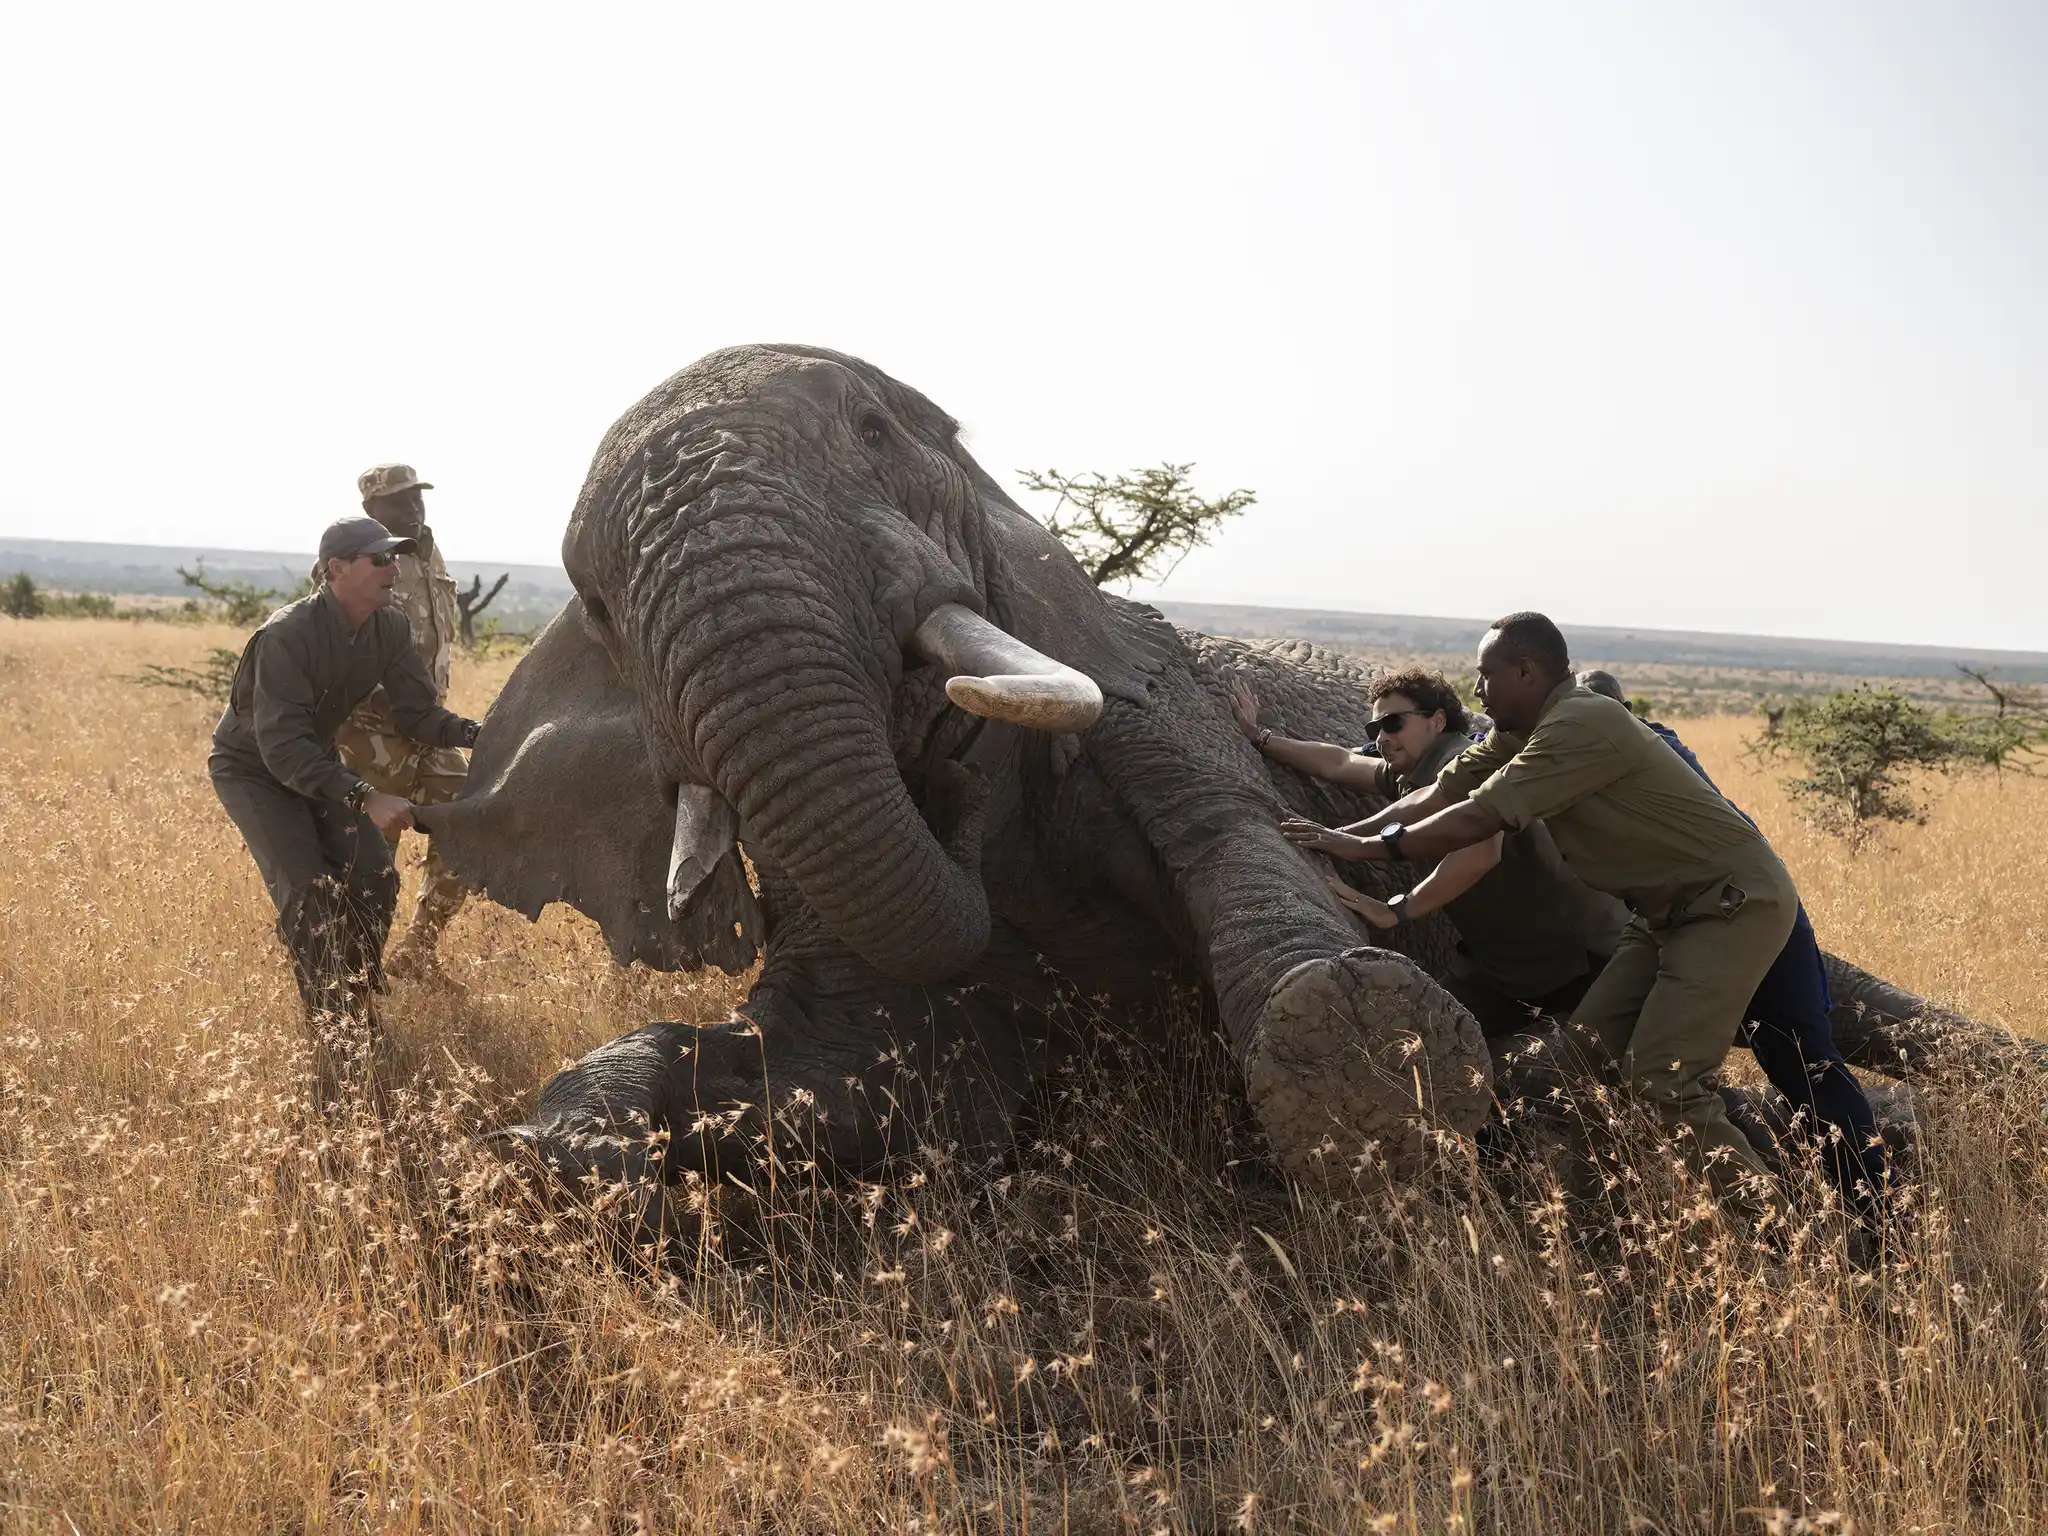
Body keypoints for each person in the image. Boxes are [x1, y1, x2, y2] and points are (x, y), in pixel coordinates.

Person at [1281, 613, 1801, 1217]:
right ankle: (1604, 1219)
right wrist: (1343, 836)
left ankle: (1779, 1237)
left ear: (1526, 671)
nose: (1476, 690)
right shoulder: (1519, 731)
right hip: (1662, 915)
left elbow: (1480, 820)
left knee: (1665, 1080)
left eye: (1486, 675)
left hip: (1728, 904)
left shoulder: (1582, 723)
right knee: (1583, 1063)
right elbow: (1445, 792)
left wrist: (1371, 850)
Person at [1576, 669, 1888, 1218]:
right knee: (1620, 1057)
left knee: (1804, 1064)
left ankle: (1874, 1218)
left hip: (1745, 916)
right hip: (1682, 925)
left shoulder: (1649, 754)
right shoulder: (1625, 752)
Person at [212, 515, 481, 1097]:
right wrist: (364, 795)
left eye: (395, 559)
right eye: (379, 559)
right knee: (309, 889)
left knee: (375, 876)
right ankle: (335, 1034)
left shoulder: (387, 628)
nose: (393, 568)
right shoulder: (286, 636)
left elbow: (417, 714)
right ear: (337, 569)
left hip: (318, 766)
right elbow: (281, 751)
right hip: (256, 772)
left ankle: (351, 994)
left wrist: (479, 735)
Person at [1231, 667, 1627, 1046]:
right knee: (1435, 1051)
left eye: (1393, 724)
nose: (1382, 738)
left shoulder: (1459, 763)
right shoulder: (1412, 773)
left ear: (1437, 720)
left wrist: (1395, 909)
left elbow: (1479, 852)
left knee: (1585, 1078)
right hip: (1503, 962)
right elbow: (1341, 762)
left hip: (1572, 954)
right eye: (1375, 729)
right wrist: (1259, 737)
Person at [325, 464, 470, 980]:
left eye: (415, 496)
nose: (412, 507)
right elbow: (328, 642)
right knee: (372, 859)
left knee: (470, 822)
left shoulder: (430, 553)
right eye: (397, 501)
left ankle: (418, 950)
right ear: (371, 511)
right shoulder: (352, 564)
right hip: (371, 736)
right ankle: (357, 971)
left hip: (429, 729)